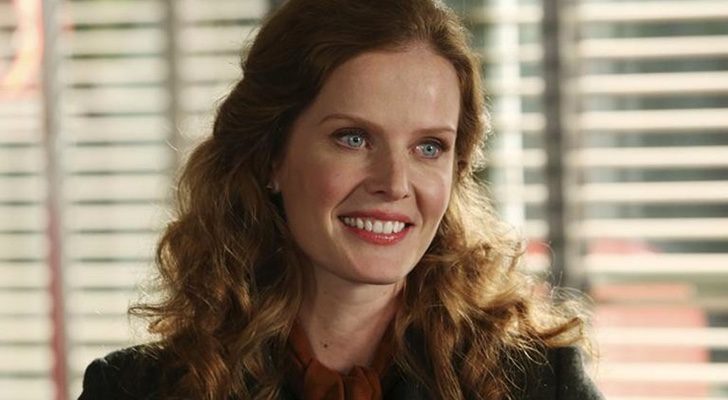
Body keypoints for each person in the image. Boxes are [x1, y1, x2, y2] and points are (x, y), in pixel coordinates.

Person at [78, 0, 604, 399]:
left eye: (428, 147)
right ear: (271, 156)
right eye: (353, 138)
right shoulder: (134, 390)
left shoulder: (542, 384)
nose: (394, 183)